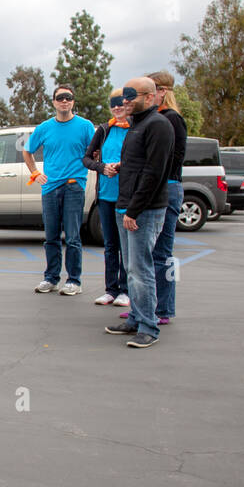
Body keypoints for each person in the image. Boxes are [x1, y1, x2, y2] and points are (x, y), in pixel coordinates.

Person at [104, 77, 173, 348]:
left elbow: (154, 173)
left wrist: (134, 210)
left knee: (141, 269)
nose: (125, 101)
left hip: (144, 210)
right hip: (126, 206)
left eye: (131, 96)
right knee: (131, 269)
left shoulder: (158, 125)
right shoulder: (136, 125)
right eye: (124, 96)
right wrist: (123, 166)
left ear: (149, 96)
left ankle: (148, 327)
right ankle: (135, 318)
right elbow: (139, 163)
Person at [22, 85, 96, 294]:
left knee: (72, 237)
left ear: (73, 101)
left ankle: (74, 281)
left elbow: (94, 152)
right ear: (53, 102)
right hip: (50, 188)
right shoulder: (44, 128)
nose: (64, 101)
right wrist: (35, 173)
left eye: (68, 98)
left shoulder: (85, 126)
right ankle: (51, 278)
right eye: (60, 98)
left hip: (74, 187)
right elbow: (27, 152)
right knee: (51, 236)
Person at [82, 89, 130, 308]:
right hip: (105, 195)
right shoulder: (104, 130)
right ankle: (111, 289)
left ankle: (126, 289)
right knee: (110, 245)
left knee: (128, 245)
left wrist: (120, 167)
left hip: (128, 197)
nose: (118, 108)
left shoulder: (136, 129)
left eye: (121, 104)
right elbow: (86, 159)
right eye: (114, 105)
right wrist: (102, 167)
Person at [147, 70, 187, 325]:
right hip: (155, 189)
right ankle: (148, 305)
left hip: (167, 189)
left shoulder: (172, 120)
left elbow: (172, 159)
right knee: (148, 254)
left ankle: (164, 308)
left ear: (162, 92)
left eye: (149, 91)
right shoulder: (155, 118)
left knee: (163, 253)